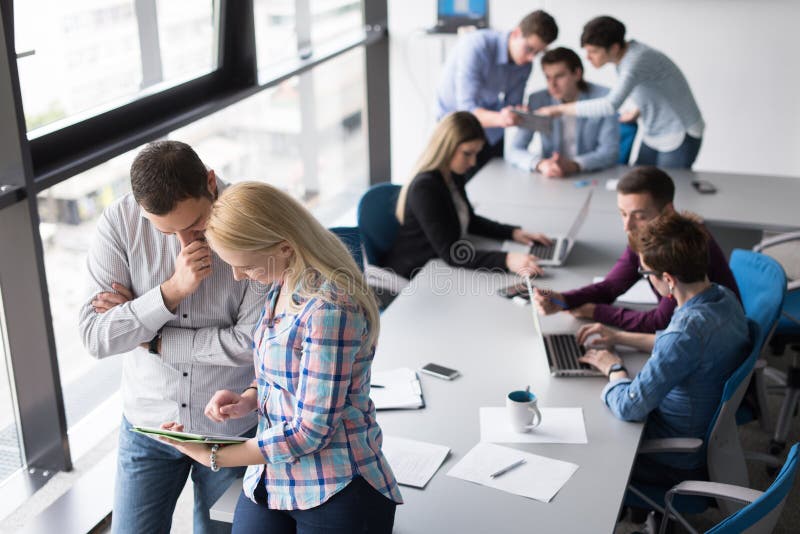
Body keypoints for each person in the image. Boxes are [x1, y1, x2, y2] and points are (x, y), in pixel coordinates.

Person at [159, 181, 403, 533]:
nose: (238, 275)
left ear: (285, 248)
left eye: (246, 266)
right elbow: (284, 371)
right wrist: (249, 398)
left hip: (336, 482)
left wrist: (215, 454)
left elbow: (311, 431)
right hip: (276, 475)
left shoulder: (329, 309)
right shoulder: (282, 282)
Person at [78, 141, 261, 534]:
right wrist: (170, 291)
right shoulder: (119, 223)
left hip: (230, 429)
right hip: (149, 424)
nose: (185, 242)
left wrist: (152, 338)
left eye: (195, 225)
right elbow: (96, 337)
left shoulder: (250, 218)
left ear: (211, 183)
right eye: (167, 231)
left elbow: (250, 342)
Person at [576, 211, 750, 489]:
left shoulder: (685, 333)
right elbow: (682, 346)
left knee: (584, 442)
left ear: (667, 279)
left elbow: (628, 406)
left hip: (670, 457)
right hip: (702, 434)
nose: (646, 278)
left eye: (645, 273)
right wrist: (621, 337)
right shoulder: (722, 298)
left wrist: (614, 368)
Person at [533, 166, 740, 332]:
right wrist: (563, 299)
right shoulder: (647, 235)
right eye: (623, 213)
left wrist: (596, 312)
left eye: (639, 216)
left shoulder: (681, 248)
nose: (627, 226)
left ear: (668, 210)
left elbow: (660, 321)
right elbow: (612, 286)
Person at [382, 111, 551, 279]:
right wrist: (506, 260)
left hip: (438, 269)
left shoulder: (452, 175)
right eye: (467, 153)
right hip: (413, 275)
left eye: (476, 153)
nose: (473, 162)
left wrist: (513, 233)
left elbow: (471, 221)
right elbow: (451, 253)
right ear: (447, 146)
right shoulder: (425, 188)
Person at [535, 16, 704, 169]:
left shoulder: (635, 61)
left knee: (666, 190)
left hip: (679, 132)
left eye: (593, 51)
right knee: (641, 184)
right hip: (655, 131)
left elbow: (610, 105)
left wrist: (559, 109)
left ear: (614, 48)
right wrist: (638, 110)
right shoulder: (626, 57)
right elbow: (657, 87)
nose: (588, 57)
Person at [436, 10, 558, 173]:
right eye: (529, 49)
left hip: (491, 131)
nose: (531, 58)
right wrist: (502, 118)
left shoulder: (525, 65)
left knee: (490, 181)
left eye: (537, 53)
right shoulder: (476, 47)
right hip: (456, 129)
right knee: (460, 187)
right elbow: (467, 110)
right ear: (516, 33)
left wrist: (518, 113)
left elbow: (512, 105)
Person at [505, 47, 619, 177]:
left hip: (590, 173)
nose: (552, 84)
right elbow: (514, 150)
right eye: (548, 77)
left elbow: (610, 152)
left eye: (559, 76)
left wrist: (574, 165)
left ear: (577, 74)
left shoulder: (604, 99)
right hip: (552, 176)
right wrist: (540, 164)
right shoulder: (538, 99)